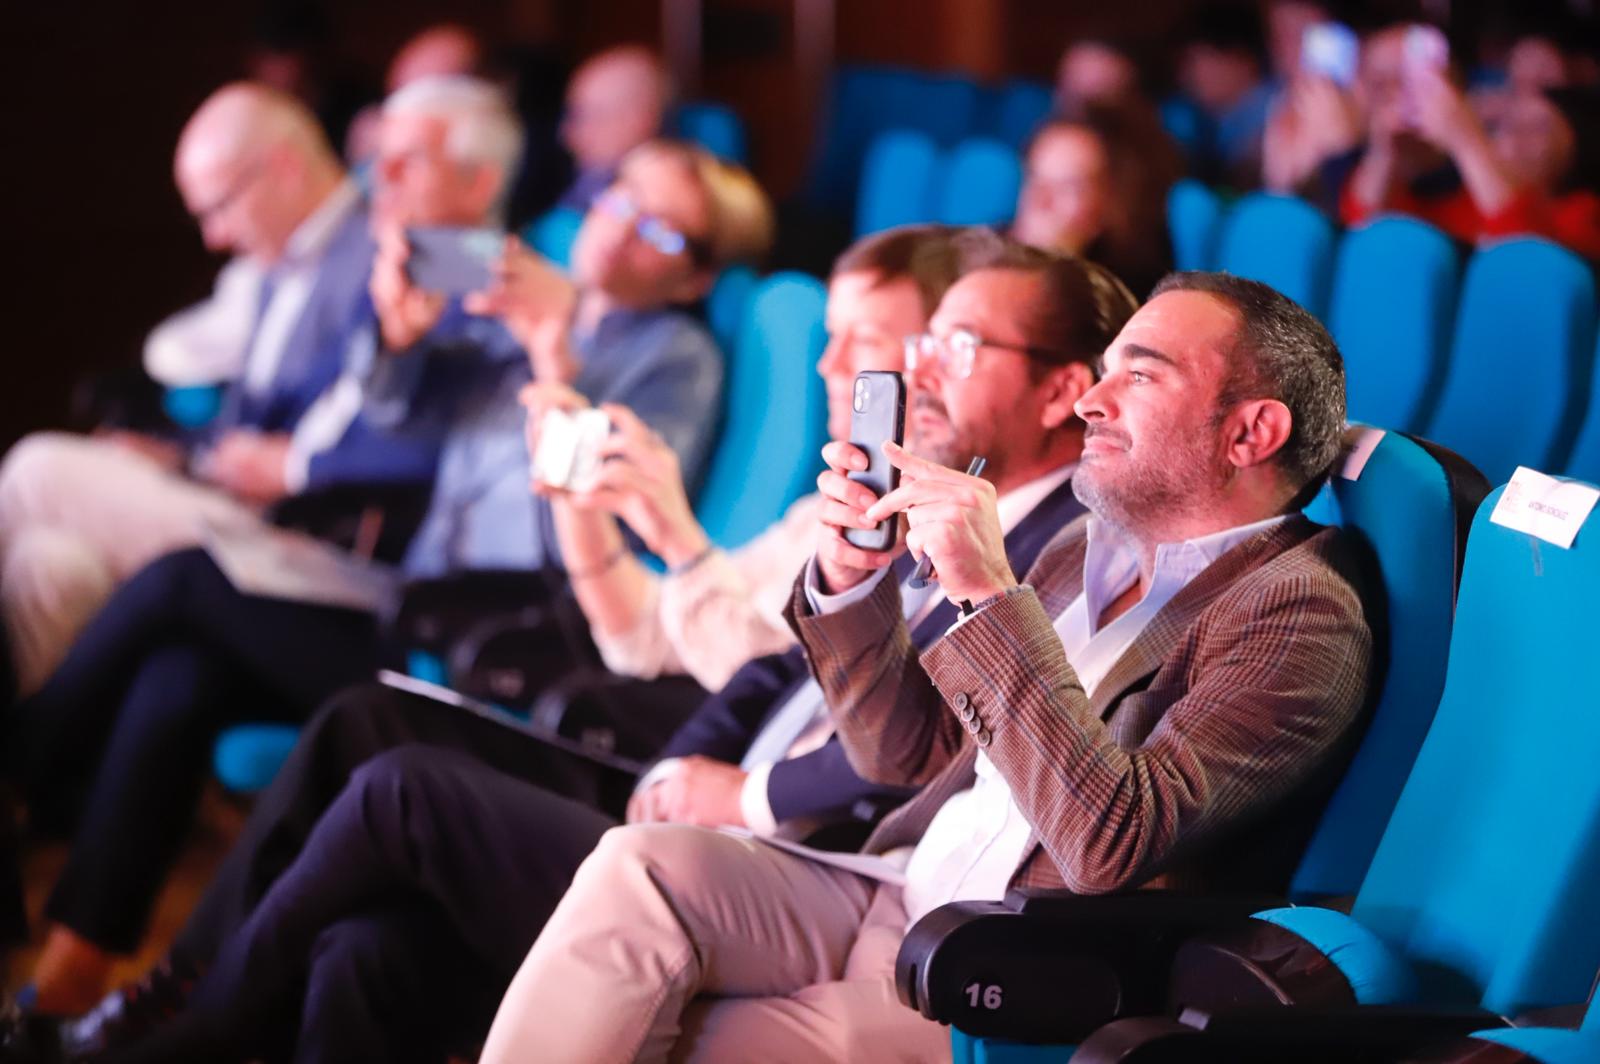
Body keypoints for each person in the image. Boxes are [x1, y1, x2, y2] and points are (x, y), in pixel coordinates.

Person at [17, 233, 1132, 1064]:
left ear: (1062, 390)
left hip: (797, 854)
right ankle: (155, 1008)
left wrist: (732, 786)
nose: (902, 370)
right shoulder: (913, 498)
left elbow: (923, 749)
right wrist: (671, 771)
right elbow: (765, 669)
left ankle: (166, 1030)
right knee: (365, 938)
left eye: (938, 344)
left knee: (389, 772)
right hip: (698, 787)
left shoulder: (1031, 546)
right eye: (911, 347)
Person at [476, 271, 1378, 1062]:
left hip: (1003, 965)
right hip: (895, 886)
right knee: (637, 865)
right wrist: (849, 582)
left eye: (1139, 374)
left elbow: (1114, 842)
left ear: (1252, 431)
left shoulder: (1299, 610)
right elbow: (903, 755)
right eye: (1102, 371)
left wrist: (988, 591)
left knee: (652, 1038)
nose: (1096, 402)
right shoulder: (1082, 544)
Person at [0, 137, 768, 1019]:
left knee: (183, 582)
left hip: (487, 637)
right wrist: (395, 333)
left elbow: (580, 535)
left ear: (696, 278)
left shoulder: (673, 357)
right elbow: (398, 413)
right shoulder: (523, 305)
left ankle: (23, 775)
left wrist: (558, 364)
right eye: (619, 197)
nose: (621, 230)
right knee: (183, 678)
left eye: (661, 233)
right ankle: (78, 978)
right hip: (415, 597)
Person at [0, 76, 524, 695]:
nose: (378, 178)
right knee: (49, 567)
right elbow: (349, 400)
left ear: (480, 180)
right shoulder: (385, 257)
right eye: (380, 158)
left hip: (340, 547)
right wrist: (189, 456)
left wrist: (297, 466)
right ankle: (40, 787)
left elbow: (415, 435)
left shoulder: (468, 261)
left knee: (35, 468)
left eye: (406, 161)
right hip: (272, 508)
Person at [1342, 68, 1600, 259]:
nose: (1514, 134)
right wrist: (1384, 151)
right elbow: (1365, 228)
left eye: (1538, 128)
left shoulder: (1582, 213)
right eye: (1507, 122)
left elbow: (1525, 254)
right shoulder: (1462, 203)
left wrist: (1465, 139)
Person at [1012, 107, 1182, 298]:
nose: (1040, 201)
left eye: (1068, 187)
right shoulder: (985, 254)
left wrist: (1055, 265)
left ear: (1112, 202)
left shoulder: (1133, 294)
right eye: (1035, 177)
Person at [1169, 4, 1275, 188]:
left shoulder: (1274, 115)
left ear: (1241, 60)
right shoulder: (1206, 121)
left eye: (1194, 59)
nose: (1185, 75)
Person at [556, 45, 671, 212]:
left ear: (639, 119)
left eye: (585, 117)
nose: (569, 136)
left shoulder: (660, 214)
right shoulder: (586, 189)